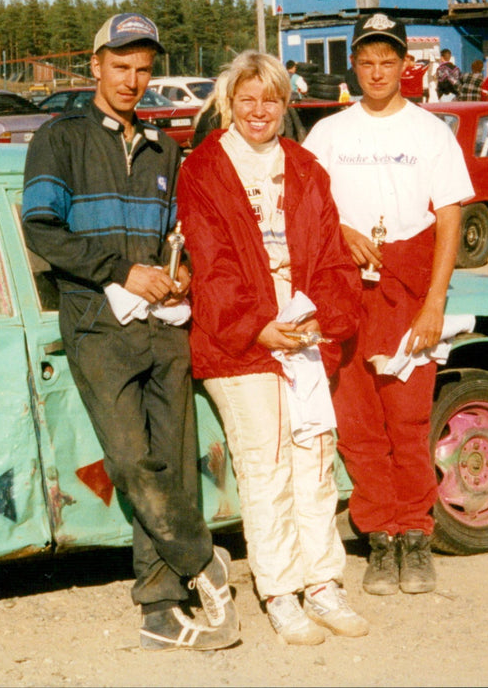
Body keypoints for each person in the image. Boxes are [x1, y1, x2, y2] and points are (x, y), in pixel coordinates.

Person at [21, 13, 240, 652]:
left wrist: (179, 277)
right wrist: (123, 271)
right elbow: (42, 229)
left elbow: (176, 241)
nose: (133, 80)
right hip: (96, 325)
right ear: (96, 66)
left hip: (163, 330)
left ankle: (160, 607)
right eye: (121, 67)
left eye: (143, 70)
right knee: (129, 460)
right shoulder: (58, 139)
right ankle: (202, 557)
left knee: (171, 465)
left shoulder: (165, 148)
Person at [177, 51, 368, 646]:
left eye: (271, 100)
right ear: (228, 104)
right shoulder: (204, 169)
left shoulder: (306, 168)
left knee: (314, 460)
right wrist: (258, 325)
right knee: (267, 465)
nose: (259, 111)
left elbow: (334, 257)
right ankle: (281, 591)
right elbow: (211, 265)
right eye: (247, 99)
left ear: (287, 105)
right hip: (241, 342)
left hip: (302, 334)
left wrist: (321, 319)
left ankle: (323, 582)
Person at [302, 13, 474, 600]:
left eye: (388, 60)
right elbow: (306, 209)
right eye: (366, 60)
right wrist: (343, 228)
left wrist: (434, 305)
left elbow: (450, 218)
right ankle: (379, 537)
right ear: (355, 64)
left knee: (407, 417)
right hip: (348, 290)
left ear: (407, 66)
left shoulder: (431, 133)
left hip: (409, 289)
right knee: (358, 420)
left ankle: (416, 537)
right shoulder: (327, 134)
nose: (377, 72)